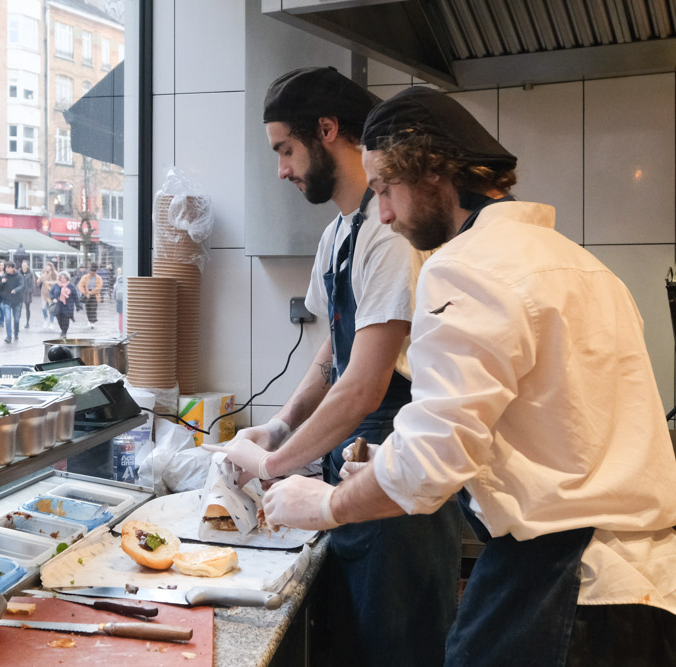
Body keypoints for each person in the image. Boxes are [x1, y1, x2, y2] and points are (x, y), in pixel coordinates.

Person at [264, 86, 676, 665]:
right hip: (647, 588)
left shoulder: (463, 267)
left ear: (432, 173)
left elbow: (430, 464)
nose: (382, 212)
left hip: (564, 582)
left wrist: (324, 504)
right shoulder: (587, 268)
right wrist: (379, 461)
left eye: (385, 188)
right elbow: (531, 427)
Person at [204, 67, 460, 667]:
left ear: (327, 130)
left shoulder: (388, 233)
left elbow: (365, 386)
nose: (282, 170)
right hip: (354, 475)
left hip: (397, 478)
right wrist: (280, 426)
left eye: (286, 150)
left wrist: (271, 464)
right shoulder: (340, 233)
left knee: (398, 654)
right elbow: (334, 353)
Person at [0, 261, 24, 343]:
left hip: (17, 301)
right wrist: (2, 282)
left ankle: (16, 333)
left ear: (13, 268)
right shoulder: (4, 276)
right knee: (8, 319)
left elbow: (21, 285)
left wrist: (15, 290)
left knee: (16, 319)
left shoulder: (19, 276)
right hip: (7, 301)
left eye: (9, 267)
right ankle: (9, 336)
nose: (7, 269)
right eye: (6, 267)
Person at [49, 271, 77, 337]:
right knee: (59, 319)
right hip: (58, 305)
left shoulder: (71, 286)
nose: (62, 279)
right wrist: (53, 298)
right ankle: (62, 330)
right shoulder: (56, 285)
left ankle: (64, 332)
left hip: (67, 306)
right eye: (61, 278)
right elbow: (51, 293)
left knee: (66, 319)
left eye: (64, 278)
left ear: (67, 278)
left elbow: (75, 295)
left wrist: (78, 305)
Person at [78, 264, 103, 329]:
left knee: (93, 309)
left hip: (94, 295)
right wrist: (84, 292)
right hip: (86, 294)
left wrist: (91, 292)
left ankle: (93, 322)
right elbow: (80, 285)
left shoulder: (99, 278)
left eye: (93, 273)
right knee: (88, 308)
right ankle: (89, 320)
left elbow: (99, 287)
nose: (92, 274)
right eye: (91, 272)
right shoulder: (85, 277)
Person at [39, 261, 59, 330]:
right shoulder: (43, 273)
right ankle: (45, 319)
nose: (47, 267)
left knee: (51, 309)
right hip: (43, 293)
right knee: (43, 308)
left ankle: (51, 322)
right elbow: (39, 282)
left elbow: (57, 282)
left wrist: (49, 282)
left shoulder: (54, 273)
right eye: (46, 266)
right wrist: (40, 278)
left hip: (51, 293)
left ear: (51, 267)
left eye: (48, 266)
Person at [19, 259, 34, 329]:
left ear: (28, 266)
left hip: (27, 293)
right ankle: (17, 322)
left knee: (27, 308)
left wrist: (30, 292)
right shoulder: (18, 272)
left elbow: (32, 284)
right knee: (18, 308)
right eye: (23, 264)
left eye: (25, 265)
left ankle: (27, 322)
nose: (24, 266)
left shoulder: (30, 273)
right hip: (20, 292)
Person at [113, 266, 125, 332]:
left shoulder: (118, 279)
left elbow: (115, 289)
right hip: (126, 297)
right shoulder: (127, 278)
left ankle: (121, 329)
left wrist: (115, 297)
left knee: (120, 315)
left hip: (119, 297)